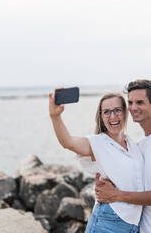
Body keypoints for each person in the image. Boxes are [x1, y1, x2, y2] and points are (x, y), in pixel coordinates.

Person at [95, 80, 151, 233]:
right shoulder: (138, 145)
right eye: (130, 102)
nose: (133, 108)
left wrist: (116, 195)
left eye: (140, 102)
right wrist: (104, 185)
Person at [49, 89, 143, 233]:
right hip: (107, 222)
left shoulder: (132, 144)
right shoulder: (98, 142)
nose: (112, 116)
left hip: (133, 225)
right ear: (101, 116)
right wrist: (55, 116)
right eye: (106, 112)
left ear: (125, 112)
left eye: (117, 110)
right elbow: (68, 142)